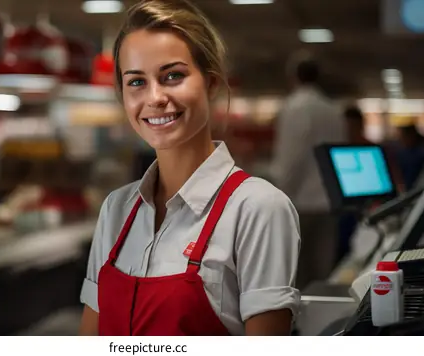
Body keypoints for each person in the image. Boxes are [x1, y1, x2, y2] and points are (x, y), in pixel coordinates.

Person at [79, 0, 300, 336]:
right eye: (136, 82)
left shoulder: (257, 208)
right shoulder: (116, 210)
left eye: (173, 76)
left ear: (211, 84)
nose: (154, 97)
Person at [271, 54, 346, 289]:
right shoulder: (333, 110)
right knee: (322, 271)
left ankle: (298, 323)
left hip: (300, 201)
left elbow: (292, 157)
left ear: (293, 77)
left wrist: (280, 193)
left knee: (296, 272)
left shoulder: (294, 107)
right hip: (328, 200)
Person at [394, 122, 424, 191]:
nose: (400, 140)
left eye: (402, 137)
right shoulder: (402, 152)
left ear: (411, 135)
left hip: (419, 189)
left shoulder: (423, 153)